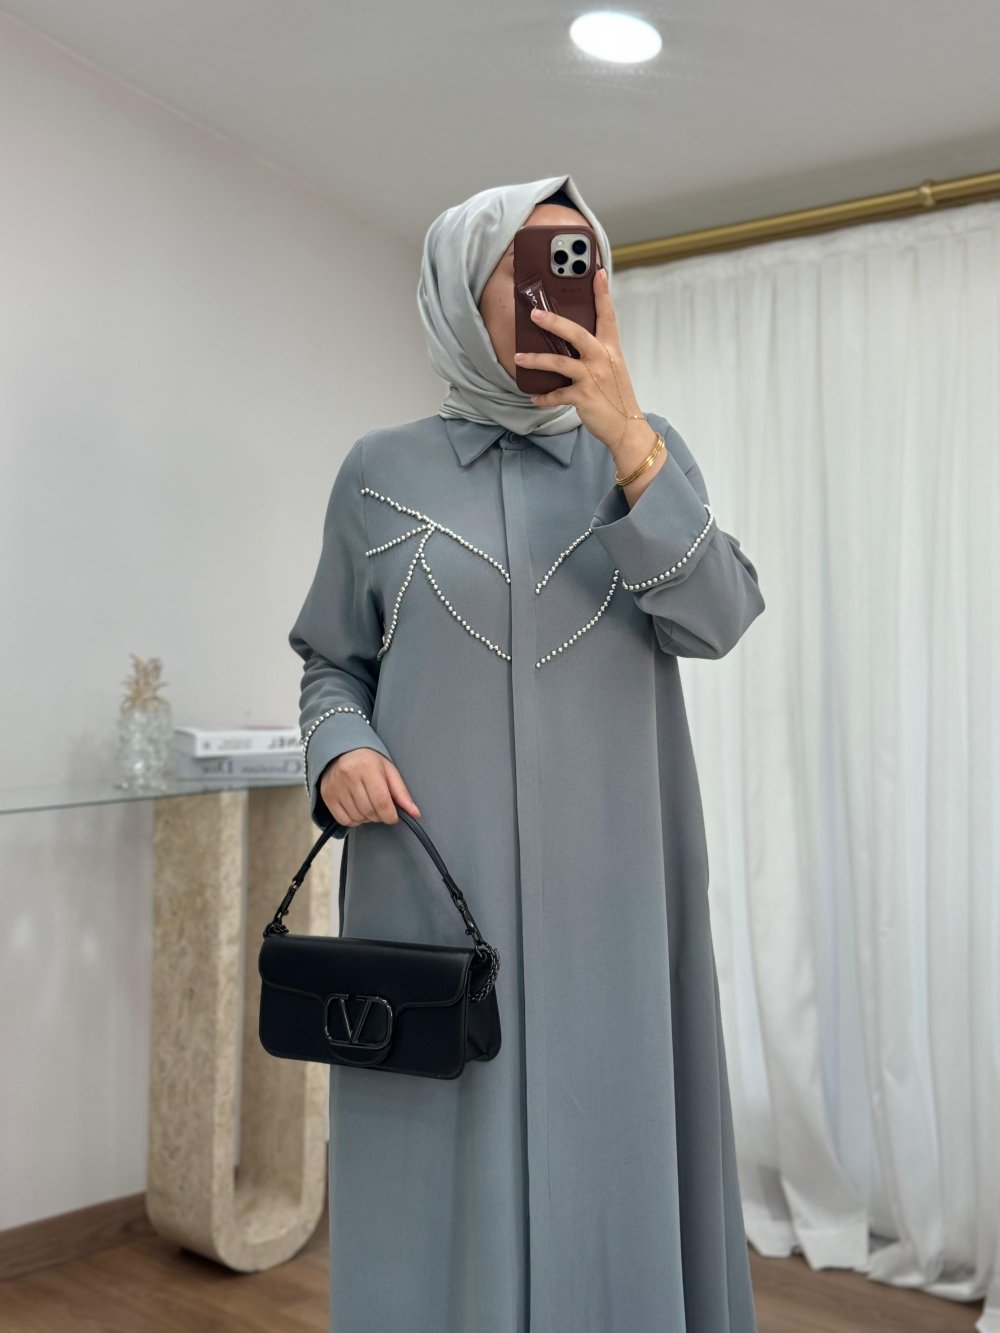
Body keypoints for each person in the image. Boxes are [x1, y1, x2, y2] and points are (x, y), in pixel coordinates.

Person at [288, 173, 765, 1333]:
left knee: (616, 1148)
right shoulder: (376, 471)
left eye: (582, 261)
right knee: (435, 1171)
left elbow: (718, 619)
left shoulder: (645, 454)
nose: (567, 289)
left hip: (615, 903)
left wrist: (631, 442)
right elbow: (330, 665)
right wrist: (338, 748)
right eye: (534, 264)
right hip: (431, 896)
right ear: (466, 291)